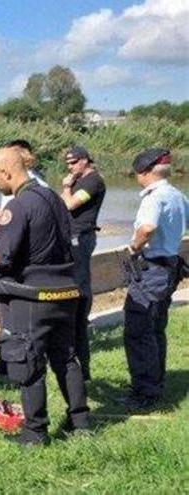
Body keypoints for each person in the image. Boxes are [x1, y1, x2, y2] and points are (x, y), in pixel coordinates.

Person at [0, 145, 89, 446]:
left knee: (27, 361)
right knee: (66, 359)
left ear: (6, 172)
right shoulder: (54, 198)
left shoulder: (19, 204)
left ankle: (35, 433)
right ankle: (80, 423)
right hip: (65, 290)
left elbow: (2, 255)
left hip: (33, 297)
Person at [121, 149, 188, 411]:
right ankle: (154, 383)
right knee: (156, 328)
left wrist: (134, 248)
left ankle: (145, 393)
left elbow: (147, 227)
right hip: (169, 266)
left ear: (144, 173)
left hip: (152, 269)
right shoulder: (178, 196)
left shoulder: (154, 197)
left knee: (138, 330)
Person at [59, 146, 106, 381]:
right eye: (67, 163)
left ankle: (81, 317)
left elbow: (69, 204)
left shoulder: (93, 181)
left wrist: (67, 186)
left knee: (80, 282)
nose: (70, 167)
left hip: (82, 237)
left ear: (86, 160)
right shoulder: (80, 179)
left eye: (74, 162)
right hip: (73, 237)